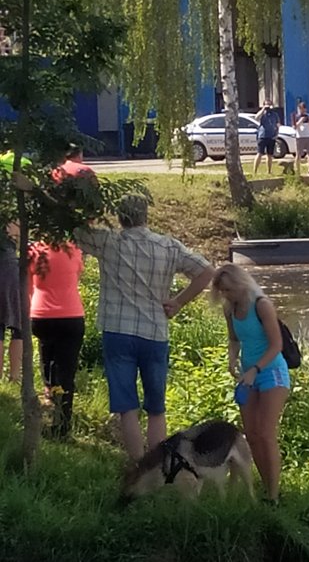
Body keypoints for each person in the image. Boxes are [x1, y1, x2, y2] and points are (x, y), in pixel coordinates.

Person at [72, 194, 215, 461]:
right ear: (146, 216)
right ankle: (158, 467)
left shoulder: (108, 242)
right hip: (155, 333)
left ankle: (138, 465)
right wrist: (179, 302)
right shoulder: (169, 247)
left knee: (126, 406)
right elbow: (206, 272)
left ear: (119, 217)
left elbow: (73, 229)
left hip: (118, 331)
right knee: (156, 407)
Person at [211, 264, 290, 503]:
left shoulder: (262, 305)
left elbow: (277, 345)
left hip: (271, 372)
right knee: (252, 435)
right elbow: (234, 338)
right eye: (222, 291)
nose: (226, 295)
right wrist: (232, 358)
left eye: (229, 289)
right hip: (248, 375)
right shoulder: (230, 309)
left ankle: (274, 496)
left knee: (266, 433)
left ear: (240, 284)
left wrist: (256, 369)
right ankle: (265, 486)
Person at [29, 241, 85, 438]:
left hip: (41, 315)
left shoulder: (34, 250)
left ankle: (49, 395)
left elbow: (29, 284)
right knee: (67, 371)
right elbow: (77, 274)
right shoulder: (74, 249)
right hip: (71, 315)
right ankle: (63, 424)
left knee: (47, 359)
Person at [0, 224, 21, 382]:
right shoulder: (10, 216)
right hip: (11, 269)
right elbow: (17, 232)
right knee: (18, 326)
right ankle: (15, 376)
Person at [253, 100, 280, 176]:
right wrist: (263, 109)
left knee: (270, 155)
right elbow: (256, 118)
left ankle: (269, 171)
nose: (268, 106)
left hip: (271, 136)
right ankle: (255, 171)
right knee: (260, 153)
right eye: (266, 104)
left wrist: (276, 134)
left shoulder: (275, 114)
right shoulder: (262, 114)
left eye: (269, 104)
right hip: (263, 136)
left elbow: (278, 125)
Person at [293, 100, 309, 176]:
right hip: (300, 137)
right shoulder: (296, 117)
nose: (302, 110)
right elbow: (294, 127)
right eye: (300, 109)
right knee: (298, 154)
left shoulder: (308, 116)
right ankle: (297, 170)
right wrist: (300, 121)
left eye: (303, 109)